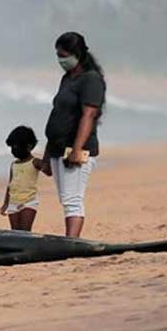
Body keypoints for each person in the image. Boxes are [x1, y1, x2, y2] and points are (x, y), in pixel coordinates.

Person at [42, 32, 106, 238]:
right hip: (57, 148)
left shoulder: (91, 80)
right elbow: (57, 114)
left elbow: (88, 115)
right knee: (65, 198)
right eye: (58, 56)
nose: (61, 60)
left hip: (76, 148)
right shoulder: (67, 79)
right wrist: (46, 155)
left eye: (64, 55)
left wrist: (77, 150)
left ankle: (72, 241)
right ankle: (70, 240)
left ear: (77, 54)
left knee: (72, 199)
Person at [0, 126, 47, 231]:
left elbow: (48, 170)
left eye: (16, 147)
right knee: (15, 232)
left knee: (25, 231)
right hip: (13, 202)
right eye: (11, 147)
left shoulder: (35, 162)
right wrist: (5, 203)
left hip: (28, 202)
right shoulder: (14, 164)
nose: (13, 150)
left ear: (29, 146)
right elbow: (10, 185)